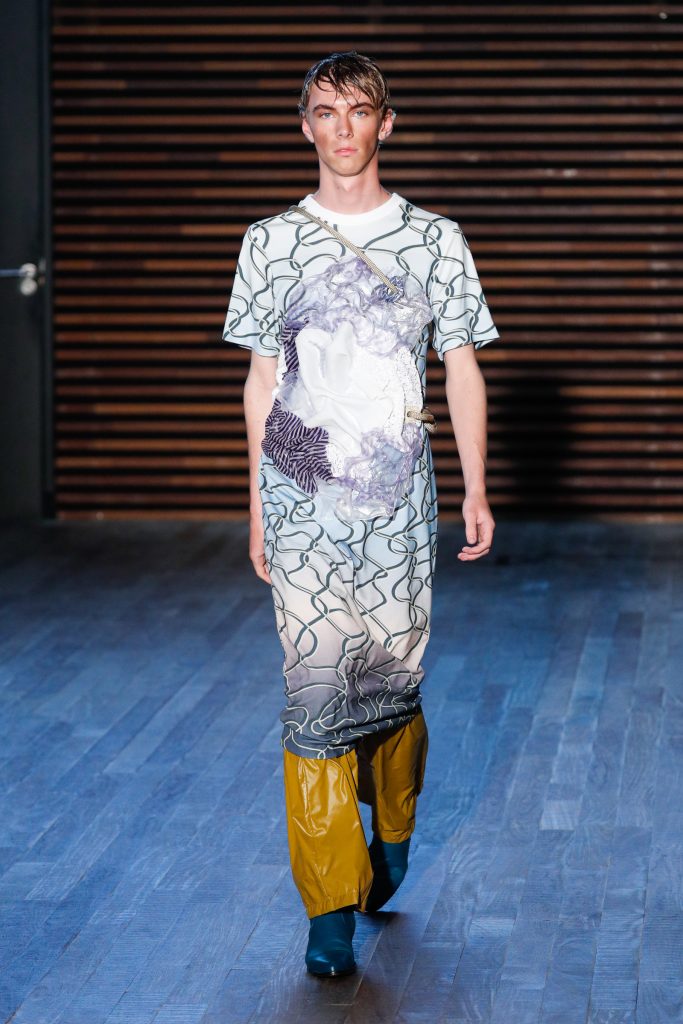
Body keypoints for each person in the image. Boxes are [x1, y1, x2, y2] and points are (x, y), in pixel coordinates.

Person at [222, 50, 499, 978]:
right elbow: (262, 381)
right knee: (313, 694)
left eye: (359, 111)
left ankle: (393, 833)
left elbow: (461, 367)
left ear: (387, 123)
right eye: (325, 111)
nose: (342, 128)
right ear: (304, 125)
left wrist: (474, 487)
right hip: (301, 498)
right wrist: (259, 503)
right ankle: (329, 907)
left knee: (390, 684)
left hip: (398, 500)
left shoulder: (434, 239)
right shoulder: (270, 241)